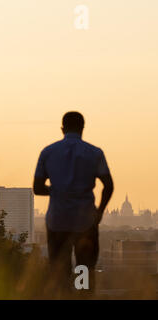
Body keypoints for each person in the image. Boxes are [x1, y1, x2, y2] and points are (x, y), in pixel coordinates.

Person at [33, 111, 113, 296]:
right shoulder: (94, 153)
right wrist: (99, 212)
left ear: (62, 129)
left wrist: (56, 191)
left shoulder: (48, 152)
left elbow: (37, 188)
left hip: (57, 221)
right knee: (83, 270)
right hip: (85, 222)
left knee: (60, 271)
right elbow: (108, 185)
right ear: (82, 129)